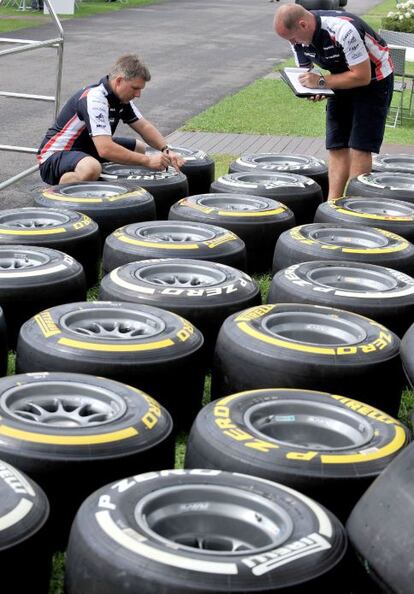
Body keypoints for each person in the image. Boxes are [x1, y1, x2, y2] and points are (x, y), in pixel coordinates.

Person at [274, 5, 394, 200]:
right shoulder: (297, 37)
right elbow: (308, 74)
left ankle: (357, 206)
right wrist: (313, 89)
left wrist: (322, 81)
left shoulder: (344, 30)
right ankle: (333, 204)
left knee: (360, 146)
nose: (293, 43)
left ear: (303, 24)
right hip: (341, 76)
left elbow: (362, 77)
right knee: (336, 143)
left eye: (292, 38)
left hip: (374, 80)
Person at [37, 54, 184, 185]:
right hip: (55, 156)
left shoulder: (120, 98)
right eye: (135, 88)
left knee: (139, 148)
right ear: (119, 81)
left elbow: (144, 127)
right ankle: (58, 193)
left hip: (87, 149)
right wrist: (148, 161)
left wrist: (167, 150)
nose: (138, 94)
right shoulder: (94, 98)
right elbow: (105, 149)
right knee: (92, 168)